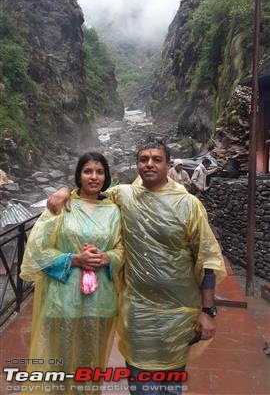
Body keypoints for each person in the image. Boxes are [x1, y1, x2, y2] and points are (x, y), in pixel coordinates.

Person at [47, 141, 226, 395]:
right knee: (142, 386)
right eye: (143, 159)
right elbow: (89, 192)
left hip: (179, 312)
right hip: (138, 312)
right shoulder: (124, 195)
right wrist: (65, 190)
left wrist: (208, 311)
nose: (149, 164)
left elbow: (207, 259)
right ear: (137, 164)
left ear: (167, 164)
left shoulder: (188, 204)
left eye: (156, 159)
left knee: (172, 385)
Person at [20, 152, 124, 395]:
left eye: (99, 172)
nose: (94, 177)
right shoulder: (62, 205)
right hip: (62, 299)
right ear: (79, 175)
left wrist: (107, 257)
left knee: (90, 364)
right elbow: (38, 250)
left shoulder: (114, 211)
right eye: (88, 171)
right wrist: (74, 259)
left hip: (100, 302)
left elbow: (122, 248)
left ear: (106, 176)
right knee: (60, 363)